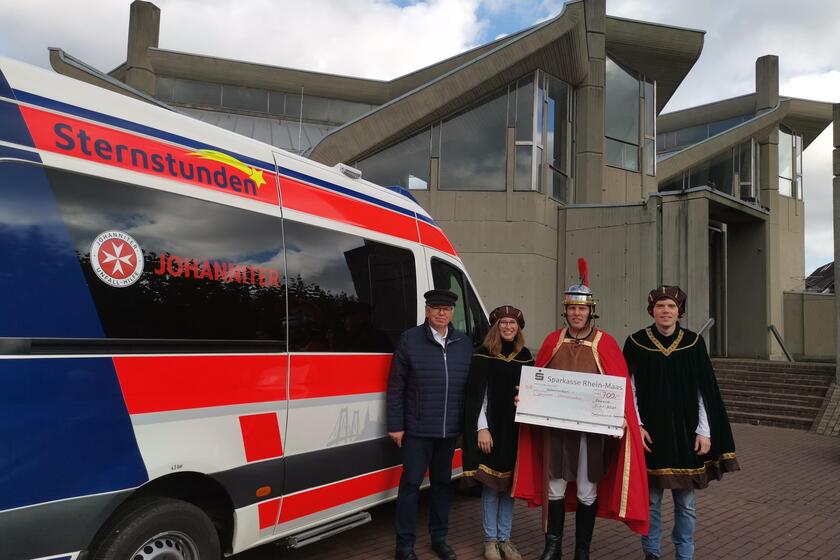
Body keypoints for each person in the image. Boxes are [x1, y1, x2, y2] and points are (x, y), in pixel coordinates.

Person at [514, 259, 649, 560]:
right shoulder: (553, 340)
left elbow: (621, 388)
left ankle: (582, 550)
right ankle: (553, 548)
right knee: (555, 487)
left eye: (582, 309)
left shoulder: (606, 343)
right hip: (557, 430)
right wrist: (525, 398)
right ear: (566, 311)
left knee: (588, 489)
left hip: (591, 432)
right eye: (572, 308)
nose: (577, 313)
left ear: (591, 311)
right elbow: (538, 380)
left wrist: (624, 417)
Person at [623, 285, 739, 560]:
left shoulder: (693, 343)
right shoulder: (636, 342)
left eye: (671, 306)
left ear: (679, 311)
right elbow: (630, 388)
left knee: (686, 503)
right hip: (651, 434)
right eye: (660, 306)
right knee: (651, 501)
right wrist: (637, 426)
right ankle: (651, 552)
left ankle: (684, 553)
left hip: (686, 433)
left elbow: (704, 391)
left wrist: (704, 431)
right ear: (652, 310)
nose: (665, 311)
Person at [387, 289, 475, 560]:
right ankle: (404, 545)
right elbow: (396, 386)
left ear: (452, 312)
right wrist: (396, 425)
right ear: (427, 311)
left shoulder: (464, 343)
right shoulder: (410, 339)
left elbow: (472, 387)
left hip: (449, 431)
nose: (441, 313)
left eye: (446, 309)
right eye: (436, 308)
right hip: (417, 428)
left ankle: (439, 539)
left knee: (442, 487)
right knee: (411, 486)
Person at [463, 305, 534, 560]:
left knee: (509, 487)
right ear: (495, 327)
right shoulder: (483, 355)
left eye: (512, 323)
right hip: (491, 430)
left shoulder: (525, 356)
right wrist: (482, 428)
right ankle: (490, 541)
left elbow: (532, 393)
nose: (508, 327)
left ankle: (505, 538)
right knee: (492, 487)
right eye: (503, 323)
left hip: (514, 431)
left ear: (518, 328)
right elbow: (476, 397)